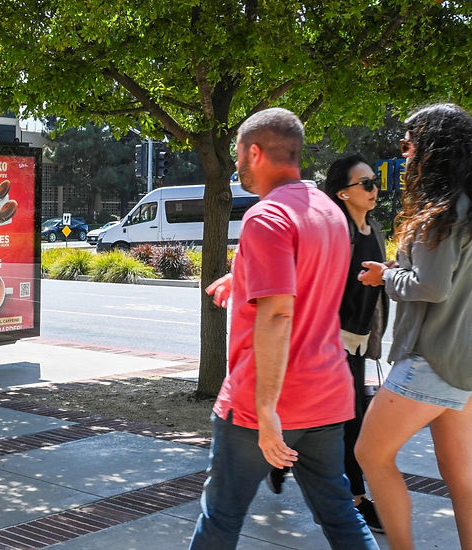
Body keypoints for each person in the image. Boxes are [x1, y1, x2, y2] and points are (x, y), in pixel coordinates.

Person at [190, 108, 377, 549]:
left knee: (220, 519)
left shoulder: (265, 216)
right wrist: (242, 276)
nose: (237, 165)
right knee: (341, 517)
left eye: (238, 154)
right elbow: (308, 276)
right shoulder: (329, 212)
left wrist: (268, 411)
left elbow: (277, 314)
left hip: (263, 406)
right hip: (328, 395)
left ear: (254, 152)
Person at [355, 103, 472, 550]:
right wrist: (396, 267)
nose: (404, 154)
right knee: (461, 478)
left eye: (408, 145)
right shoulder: (465, 207)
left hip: (431, 360)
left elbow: (433, 287)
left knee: (369, 454)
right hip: (462, 364)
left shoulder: (439, 212)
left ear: (431, 148)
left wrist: (386, 276)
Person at [267, 154, 388, 533]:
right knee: (348, 419)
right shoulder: (333, 231)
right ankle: (355, 499)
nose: (374, 189)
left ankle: (280, 458)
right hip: (328, 340)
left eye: (374, 181)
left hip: (357, 343)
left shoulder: (376, 230)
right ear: (343, 193)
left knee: (342, 417)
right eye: (365, 183)